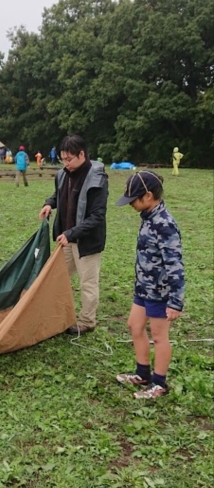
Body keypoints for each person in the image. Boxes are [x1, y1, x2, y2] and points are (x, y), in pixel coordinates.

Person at [115, 171, 184, 399]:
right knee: (135, 326)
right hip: (143, 288)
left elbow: (174, 264)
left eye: (133, 199)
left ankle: (159, 384)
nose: (131, 204)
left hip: (160, 292)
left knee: (159, 336)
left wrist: (175, 301)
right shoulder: (148, 217)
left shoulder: (164, 224)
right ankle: (142, 374)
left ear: (148, 196)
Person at [38, 134, 108, 335]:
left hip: (86, 242)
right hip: (66, 239)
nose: (65, 163)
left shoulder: (97, 179)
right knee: (59, 277)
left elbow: (97, 216)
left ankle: (87, 321)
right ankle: (58, 313)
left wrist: (72, 233)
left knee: (88, 283)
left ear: (82, 155)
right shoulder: (62, 174)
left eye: (69, 159)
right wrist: (49, 204)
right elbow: (58, 195)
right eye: (63, 159)